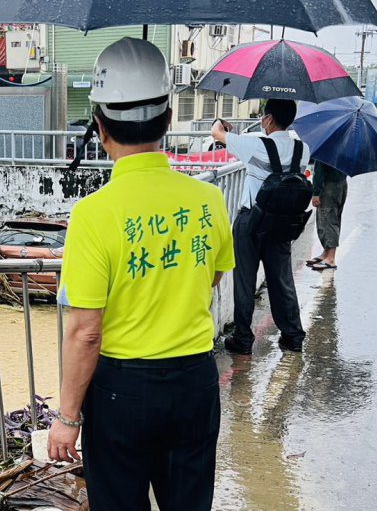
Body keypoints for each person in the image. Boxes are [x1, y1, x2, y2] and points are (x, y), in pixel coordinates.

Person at [47, 38, 235, 511]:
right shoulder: (208, 200)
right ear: (168, 119)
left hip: (121, 395)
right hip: (194, 381)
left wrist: (67, 418)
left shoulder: (92, 215)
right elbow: (210, 278)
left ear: (100, 127)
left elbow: (86, 332)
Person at [211, 100, 310, 354]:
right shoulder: (303, 149)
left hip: (251, 222)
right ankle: (292, 335)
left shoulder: (255, 144)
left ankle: (243, 339)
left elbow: (217, 135)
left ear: (267, 119)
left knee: (244, 280)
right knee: (281, 279)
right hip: (283, 222)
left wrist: (220, 125)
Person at [308, 160, 348, 270]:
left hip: (329, 186)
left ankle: (330, 258)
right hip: (342, 184)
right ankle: (326, 253)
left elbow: (319, 172)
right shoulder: (343, 146)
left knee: (327, 220)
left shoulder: (325, 150)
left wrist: (316, 193)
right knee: (334, 218)